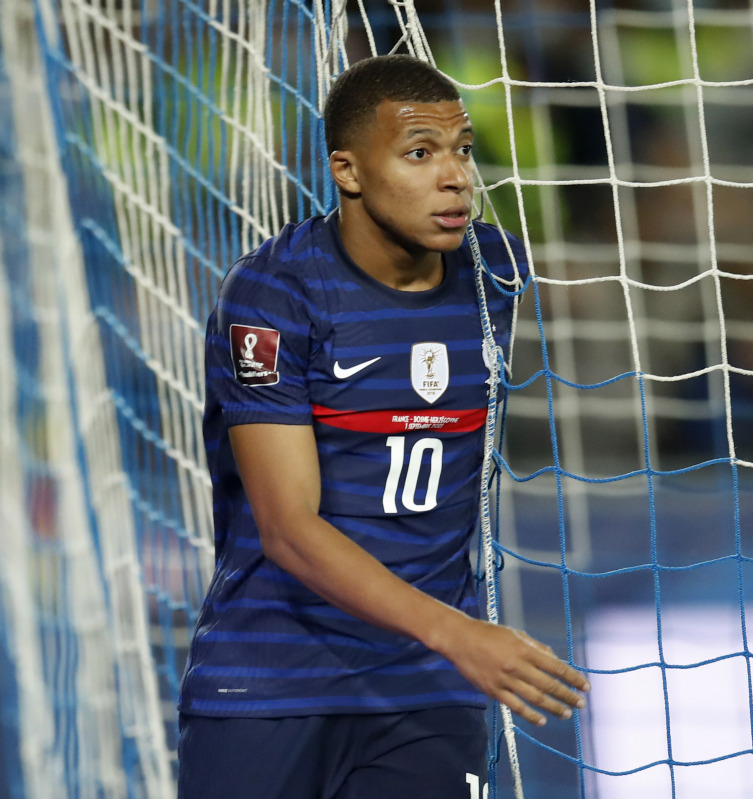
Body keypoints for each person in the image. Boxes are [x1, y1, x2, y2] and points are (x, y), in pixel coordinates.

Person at [176, 54, 589, 799]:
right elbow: (288, 527)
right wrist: (463, 635)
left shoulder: (496, 276)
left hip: (426, 691)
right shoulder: (275, 294)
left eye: (462, 150)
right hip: (272, 681)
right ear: (349, 171)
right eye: (420, 153)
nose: (456, 175)